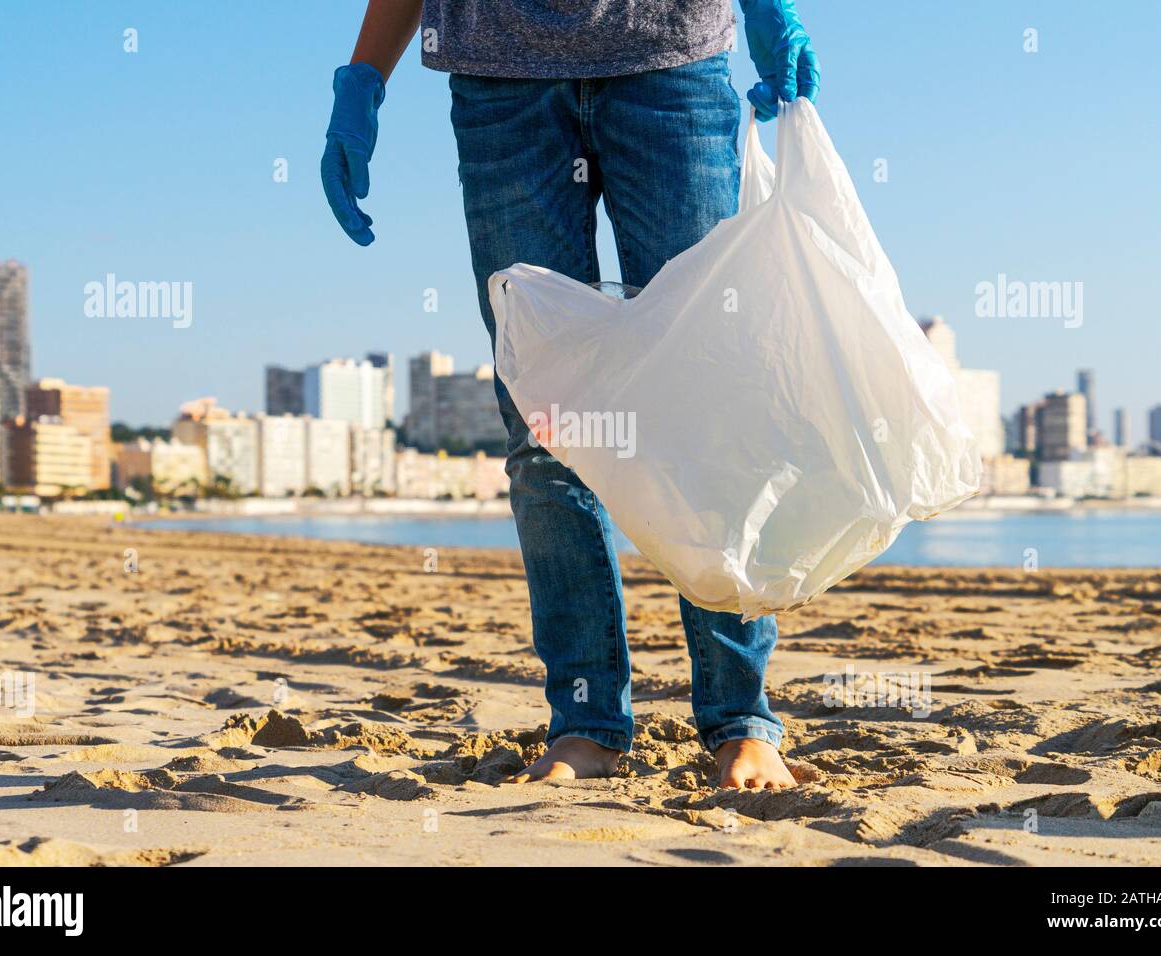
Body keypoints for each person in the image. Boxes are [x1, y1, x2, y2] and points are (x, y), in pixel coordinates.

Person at [321, 1, 819, 789]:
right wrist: (363, 80)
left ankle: (741, 717)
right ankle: (586, 724)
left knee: (705, 399)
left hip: (669, 57)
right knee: (545, 421)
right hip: (502, 79)